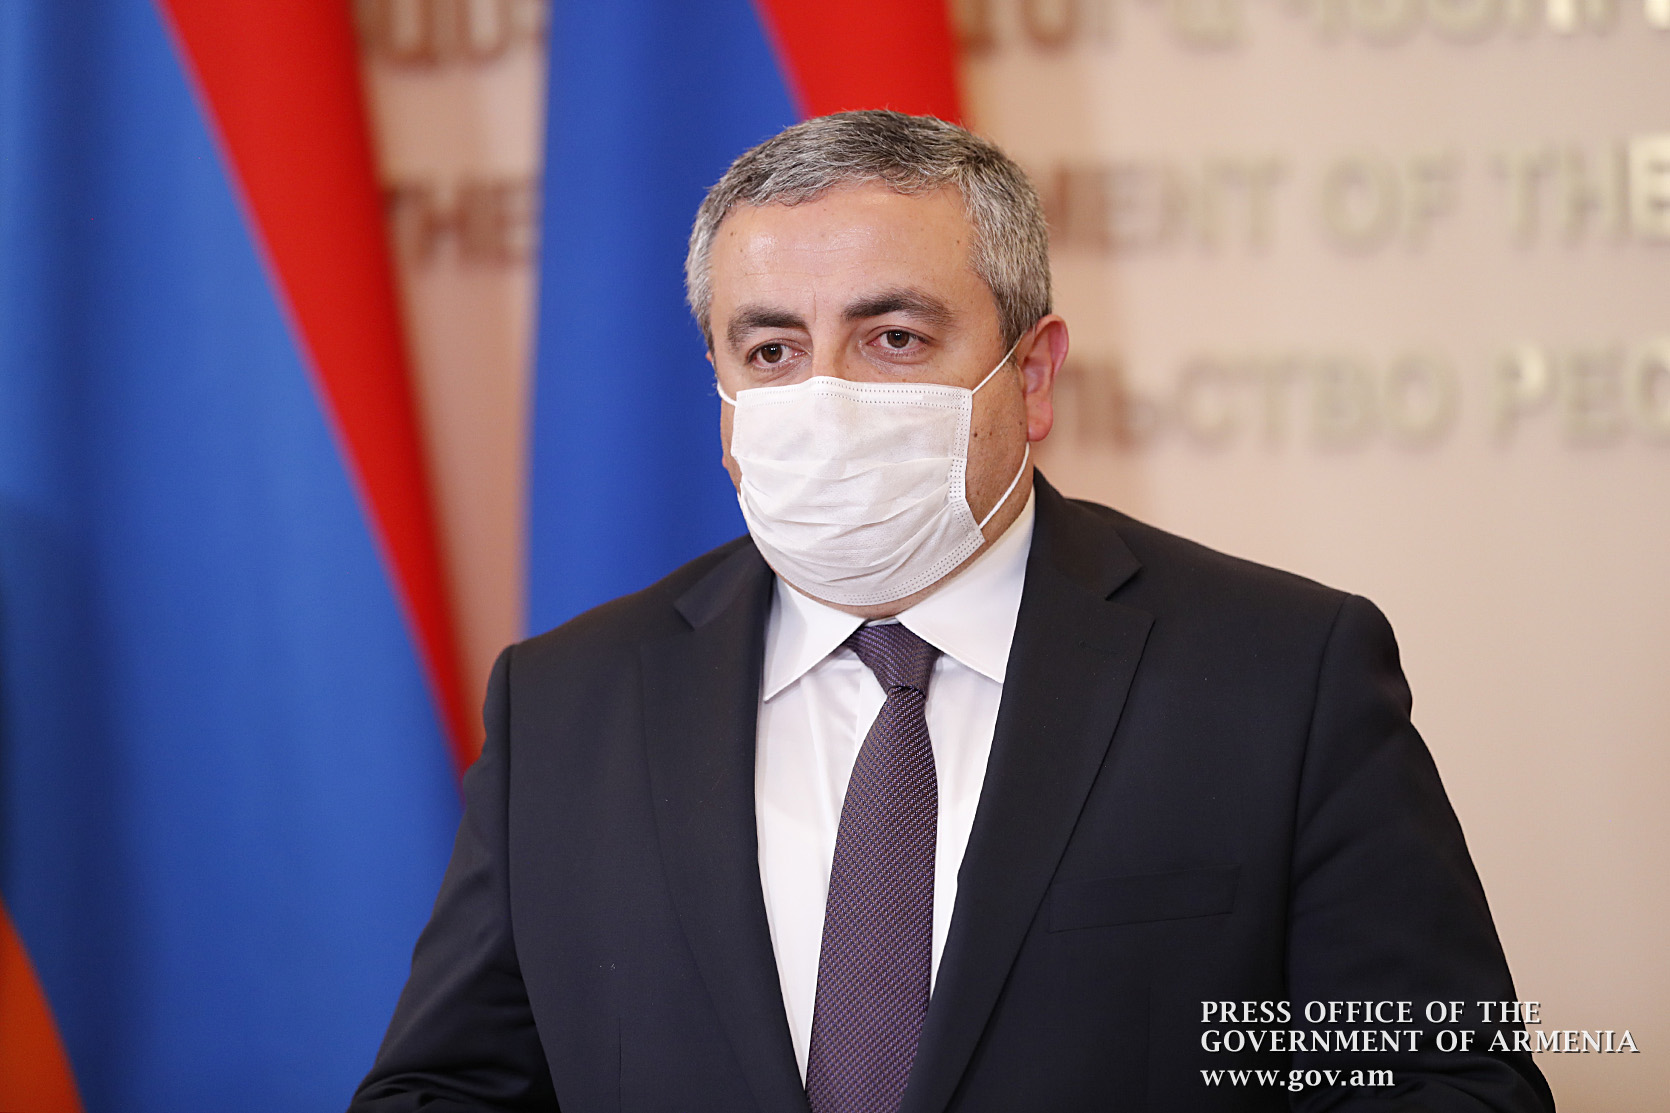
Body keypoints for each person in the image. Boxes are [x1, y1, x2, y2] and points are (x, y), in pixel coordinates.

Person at [349, 111, 1553, 1112]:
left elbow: (1442, 1081)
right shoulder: (567, 703)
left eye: (891, 337)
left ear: (1029, 375)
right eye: (769, 351)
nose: (823, 397)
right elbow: (446, 1087)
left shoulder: (1278, 674)